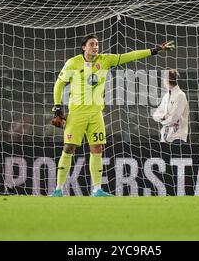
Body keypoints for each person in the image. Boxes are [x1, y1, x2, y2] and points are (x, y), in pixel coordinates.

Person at [50, 34, 175, 197]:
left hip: (96, 114)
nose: (95, 47)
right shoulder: (73, 63)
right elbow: (59, 84)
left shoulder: (106, 60)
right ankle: (59, 189)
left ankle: (96, 189)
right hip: (76, 114)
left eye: (97, 44)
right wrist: (57, 107)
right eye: (91, 44)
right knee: (69, 148)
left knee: (97, 148)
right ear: (84, 47)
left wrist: (154, 50)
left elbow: (129, 56)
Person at [152, 69, 189, 145]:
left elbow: (173, 119)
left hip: (177, 138)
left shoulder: (180, 95)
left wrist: (162, 121)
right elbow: (155, 115)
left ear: (166, 80)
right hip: (164, 139)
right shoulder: (166, 96)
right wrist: (163, 117)